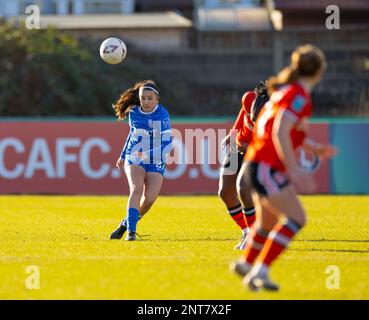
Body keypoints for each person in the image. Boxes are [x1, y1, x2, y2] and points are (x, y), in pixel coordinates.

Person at [230, 44, 337, 291]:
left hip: (256, 165)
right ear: (319, 72)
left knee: (267, 223)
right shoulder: (299, 96)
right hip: (267, 167)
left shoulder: (283, 92)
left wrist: (312, 148)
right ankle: (261, 270)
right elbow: (279, 132)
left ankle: (247, 265)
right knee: (297, 218)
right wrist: (295, 168)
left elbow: (278, 129)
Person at [110, 80, 173, 241]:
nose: (146, 102)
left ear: (157, 99)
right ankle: (131, 232)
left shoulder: (162, 114)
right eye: (143, 98)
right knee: (136, 188)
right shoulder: (134, 113)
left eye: (150, 98)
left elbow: (167, 143)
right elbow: (132, 134)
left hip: (155, 158)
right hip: (135, 156)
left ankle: (126, 223)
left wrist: (149, 154)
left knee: (150, 199)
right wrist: (123, 155)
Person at [218, 81, 269, 250]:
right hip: (236, 148)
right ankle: (247, 231)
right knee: (225, 192)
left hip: (255, 152)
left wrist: (250, 146)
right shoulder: (249, 98)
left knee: (243, 189)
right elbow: (242, 115)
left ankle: (255, 237)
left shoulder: (274, 113)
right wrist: (232, 134)